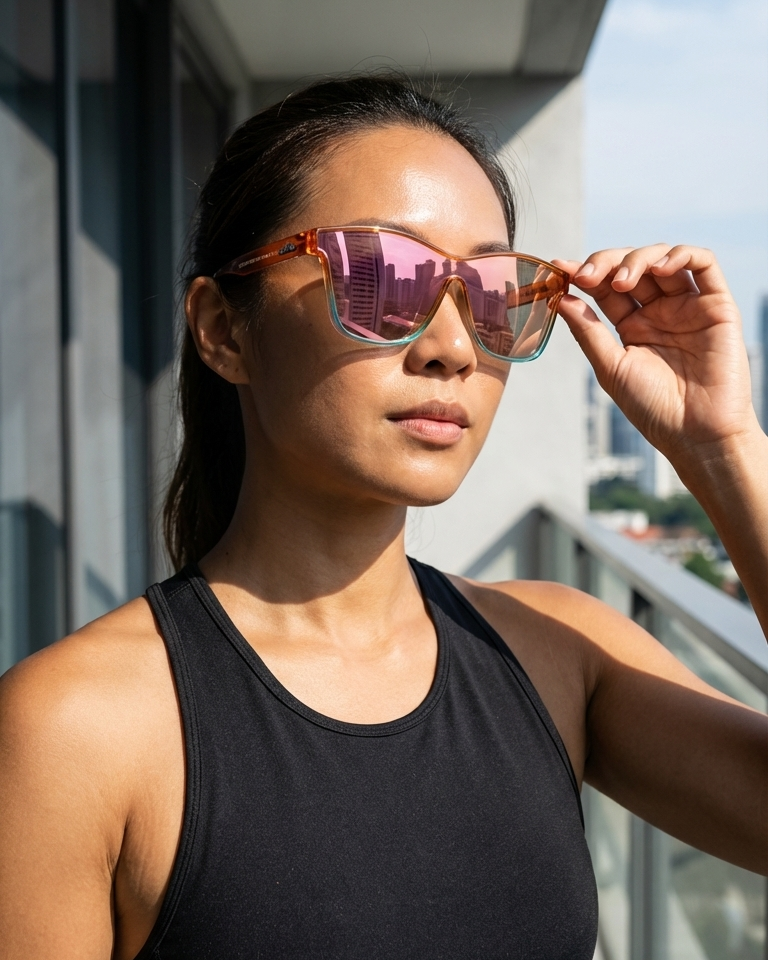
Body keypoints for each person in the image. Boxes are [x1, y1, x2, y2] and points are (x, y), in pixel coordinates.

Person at [0, 76, 766, 960]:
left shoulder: (558, 651)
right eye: (379, 278)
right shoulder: (74, 729)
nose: (449, 346)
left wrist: (721, 448)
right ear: (224, 330)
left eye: (488, 292)